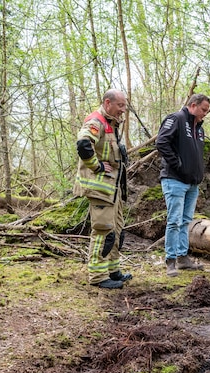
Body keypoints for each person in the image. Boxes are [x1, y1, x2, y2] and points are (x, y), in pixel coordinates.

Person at [74, 89, 133, 289]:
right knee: (103, 231)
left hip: (113, 189)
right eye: (120, 105)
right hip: (100, 188)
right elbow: (83, 144)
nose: (123, 110)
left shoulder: (111, 123)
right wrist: (97, 166)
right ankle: (98, 276)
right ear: (108, 103)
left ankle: (112, 270)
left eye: (124, 106)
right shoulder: (96, 121)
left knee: (116, 230)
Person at [155, 93, 210, 277]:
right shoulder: (176, 119)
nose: (205, 114)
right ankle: (170, 261)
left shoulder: (200, 129)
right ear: (193, 105)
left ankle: (183, 258)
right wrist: (178, 165)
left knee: (186, 221)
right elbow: (161, 142)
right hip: (174, 180)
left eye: (207, 111)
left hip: (192, 183)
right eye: (203, 110)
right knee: (174, 221)